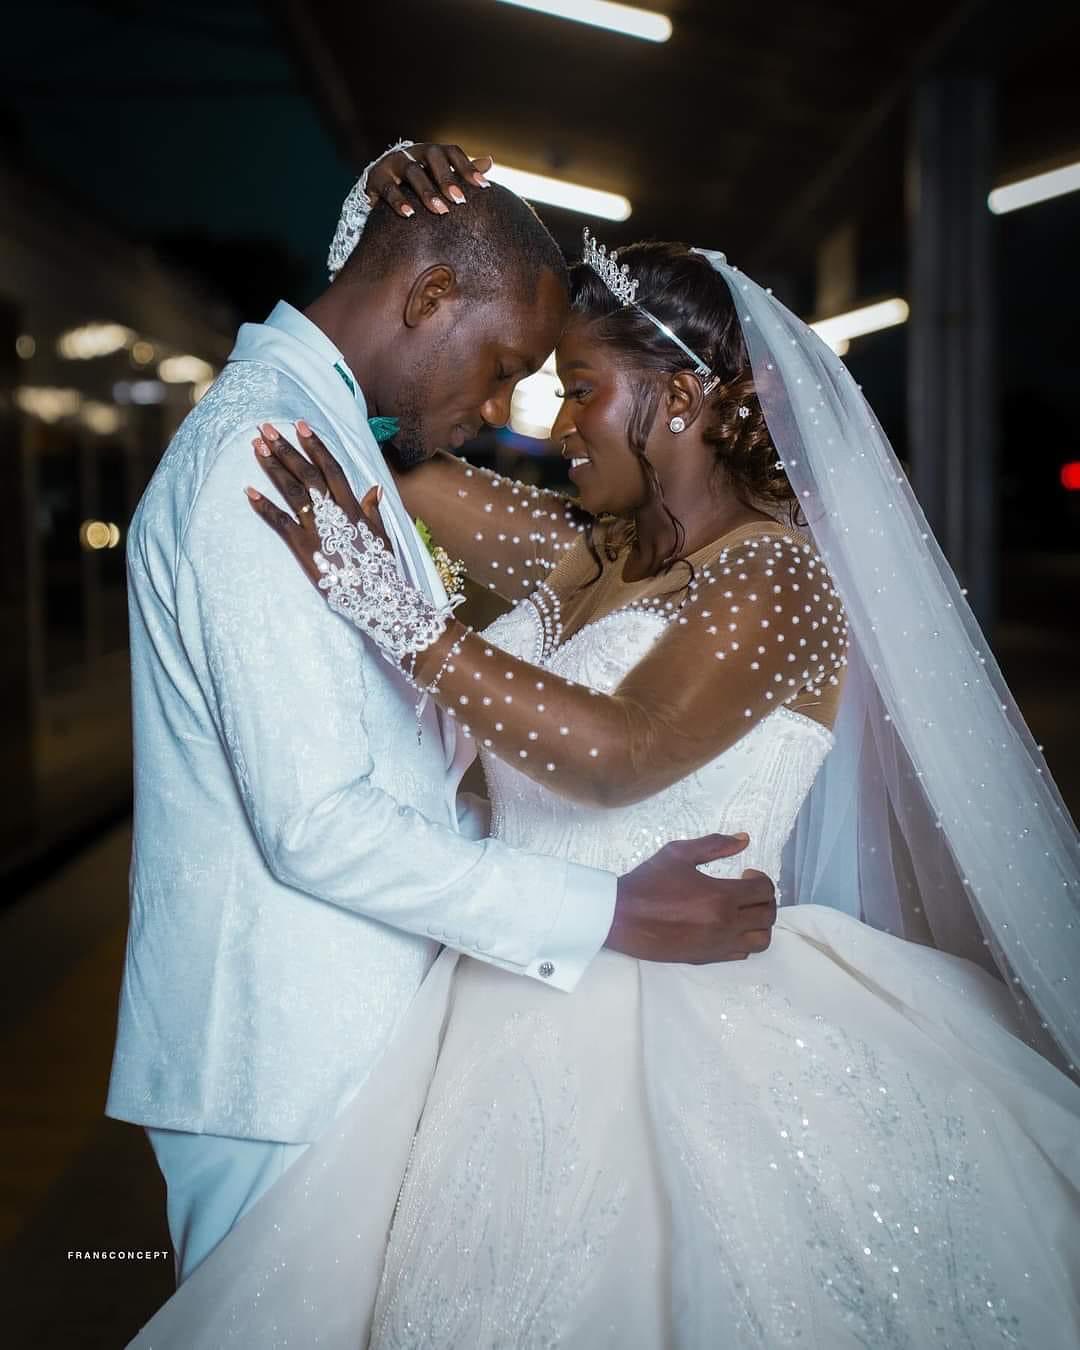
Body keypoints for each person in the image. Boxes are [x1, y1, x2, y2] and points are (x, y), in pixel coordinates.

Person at [126, 147, 1080, 1347]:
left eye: (575, 388)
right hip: (499, 999)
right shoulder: (594, 549)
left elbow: (621, 754)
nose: (550, 422)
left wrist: (408, 622)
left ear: (676, 400)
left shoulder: (780, 577)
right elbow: (396, 432)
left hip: (686, 1018)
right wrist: (381, 198)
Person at [105, 145, 778, 1293]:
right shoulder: (257, 463)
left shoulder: (329, 436)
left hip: (354, 1032)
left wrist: (381, 181)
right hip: (286, 1053)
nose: (506, 406)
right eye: (509, 364)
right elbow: (317, 822)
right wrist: (603, 906)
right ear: (426, 301)